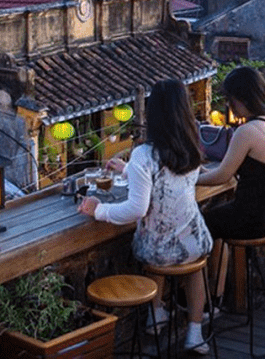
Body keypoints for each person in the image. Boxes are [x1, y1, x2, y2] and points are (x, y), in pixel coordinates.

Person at [78, 80, 213, 355]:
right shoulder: (192, 148)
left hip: (157, 250)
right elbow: (169, 180)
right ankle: (195, 334)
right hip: (194, 242)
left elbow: (136, 209)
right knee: (195, 269)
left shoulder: (144, 154)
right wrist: (129, 170)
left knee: (152, 249)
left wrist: (98, 210)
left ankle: (157, 313)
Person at [198, 66, 265, 285]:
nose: (229, 106)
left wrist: (192, 179)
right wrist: (205, 172)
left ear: (241, 98)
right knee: (217, 222)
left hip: (252, 218)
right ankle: (216, 296)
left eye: (230, 99)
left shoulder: (247, 131)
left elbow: (223, 175)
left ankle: (206, 299)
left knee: (202, 224)